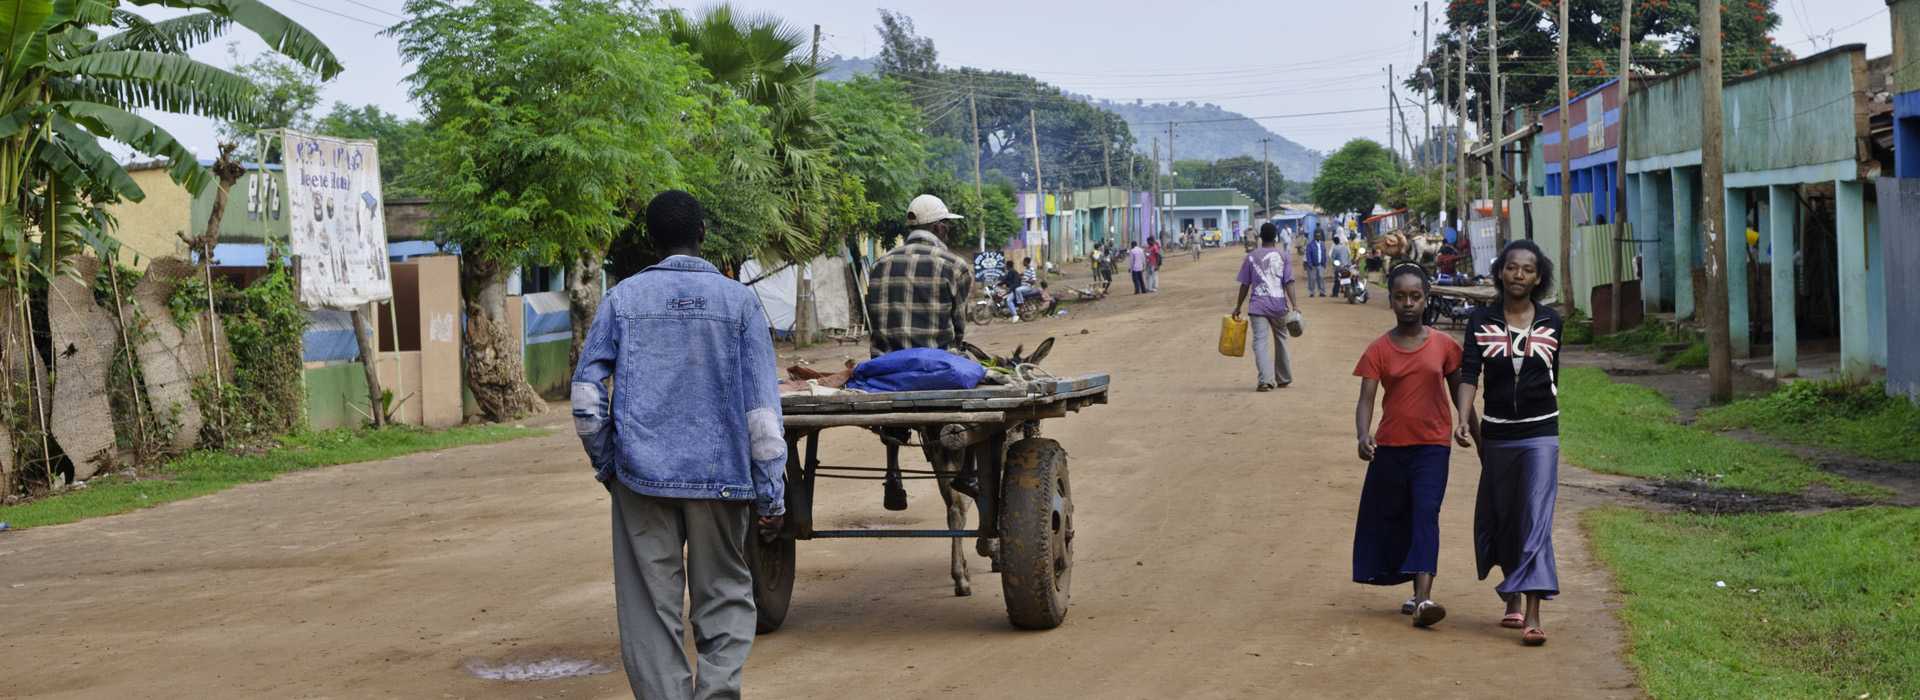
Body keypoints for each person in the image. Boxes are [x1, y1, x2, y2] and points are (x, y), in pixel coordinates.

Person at [571, 190, 785, 699]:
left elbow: (584, 398)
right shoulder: (739, 302)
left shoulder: (621, 299)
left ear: (651, 240)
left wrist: (610, 464)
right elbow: (762, 415)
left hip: (641, 479)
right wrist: (770, 492)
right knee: (727, 599)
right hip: (724, 480)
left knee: (649, 610)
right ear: (704, 234)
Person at [1451, 239, 1563, 647]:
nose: (1519, 275)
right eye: (1512, 267)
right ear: (1500, 271)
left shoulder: (1552, 322)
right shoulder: (1481, 320)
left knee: (1535, 517)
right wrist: (1463, 419)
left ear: (1538, 278)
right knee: (1504, 515)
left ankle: (1533, 614)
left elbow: (1553, 377)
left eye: (1528, 269)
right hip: (1497, 433)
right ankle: (1511, 594)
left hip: (1541, 433)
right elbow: (1468, 375)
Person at [1352, 264, 1469, 629]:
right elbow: (1366, 399)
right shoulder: (1378, 350)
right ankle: (1412, 587)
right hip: (1390, 448)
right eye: (1400, 297)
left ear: (1426, 299)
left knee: (1426, 513)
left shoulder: (1445, 346)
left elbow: (1460, 394)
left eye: (1415, 297)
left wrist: (1474, 433)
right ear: (1390, 300)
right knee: (1395, 516)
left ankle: (1423, 599)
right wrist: (1362, 434)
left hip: (1432, 447)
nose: (1408, 304)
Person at [866, 194, 974, 357]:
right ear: (939, 228)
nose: (948, 229)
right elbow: (958, 330)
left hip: (885, 366)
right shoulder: (955, 266)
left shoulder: (878, 265)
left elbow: (875, 322)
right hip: (936, 365)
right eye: (947, 224)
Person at [1230, 223, 1305, 392]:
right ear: (1276, 238)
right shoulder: (1283, 256)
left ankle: (1265, 380)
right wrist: (1295, 305)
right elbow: (1289, 282)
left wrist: (1238, 306)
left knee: (1260, 343)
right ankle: (1283, 378)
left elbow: (1244, 285)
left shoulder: (1251, 257)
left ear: (1260, 238)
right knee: (1281, 340)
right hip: (1279, 306)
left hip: (1258, 307)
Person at [1006, 256, 1039, 322]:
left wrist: (1026, 280)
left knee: (1017, 290)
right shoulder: (1026, 269)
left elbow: (1034, 281)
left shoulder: (1031, 269)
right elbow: (1023, 275)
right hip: (1023, 286)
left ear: (1027, 262)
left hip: (1028, 287)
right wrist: (1020, 276)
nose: (1023, 263)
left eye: (1024, 262)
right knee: (1012, 295)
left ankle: (1021, 304)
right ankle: (1015, 313)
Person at [1304, 232, 1329, 298]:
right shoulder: (1310, 245)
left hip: (1321, 264)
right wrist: (1310, 264)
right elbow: (1308, 255)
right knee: (1312, 279)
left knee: (1321, 278)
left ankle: (1322, 292)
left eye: (1319, 236)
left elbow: (1324, 254)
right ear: (1314, 237)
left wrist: (1324, 263)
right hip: (1313, 265)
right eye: (1317, 236)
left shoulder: (1322, 244)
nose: (1318, 237)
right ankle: (1312, 292)